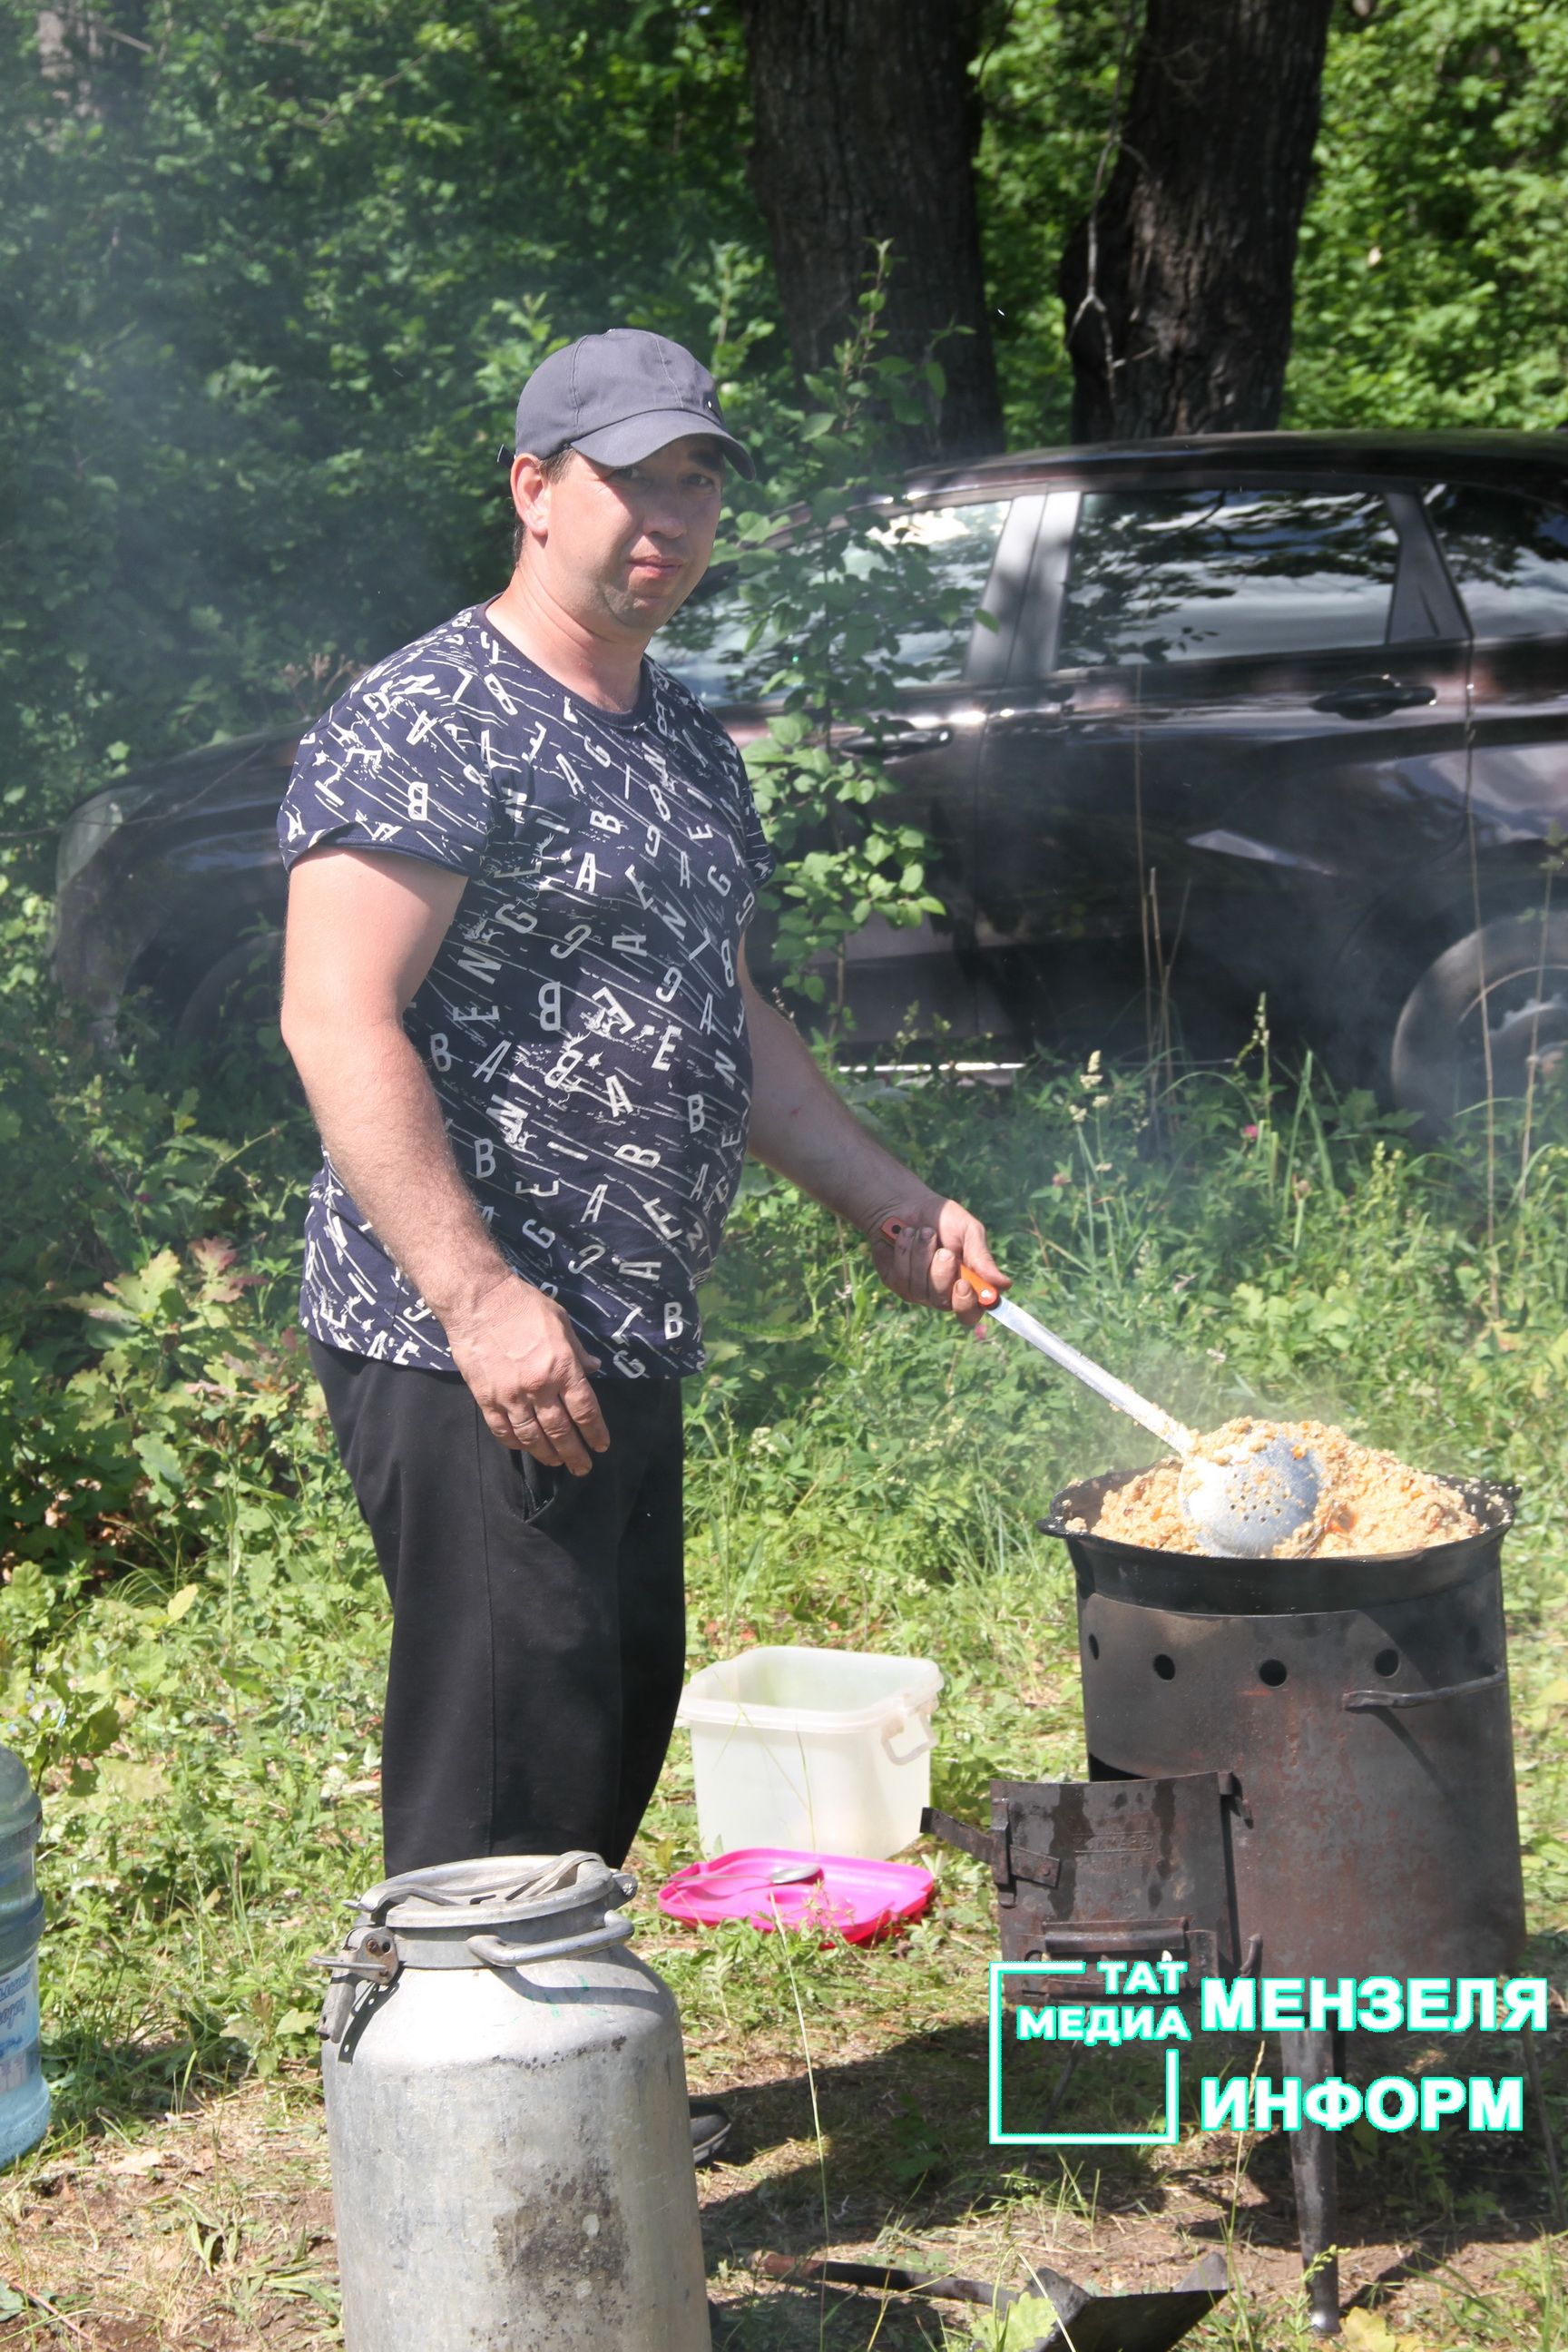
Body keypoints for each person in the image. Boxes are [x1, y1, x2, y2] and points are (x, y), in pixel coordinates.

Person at [277, 328, 1004, 2157]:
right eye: (630, 478)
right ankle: (462, 2160)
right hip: (471, 1339)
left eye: (696, 481)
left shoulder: (681, 732)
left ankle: (555, 2100)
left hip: (623, 1326)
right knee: (502, 1735)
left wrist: (884, 1196)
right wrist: (478, 1294)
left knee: (604, 1704)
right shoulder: (428, 718)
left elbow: (734, 1015)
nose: (668, 518)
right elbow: (336, 1018)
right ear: (534, 491)